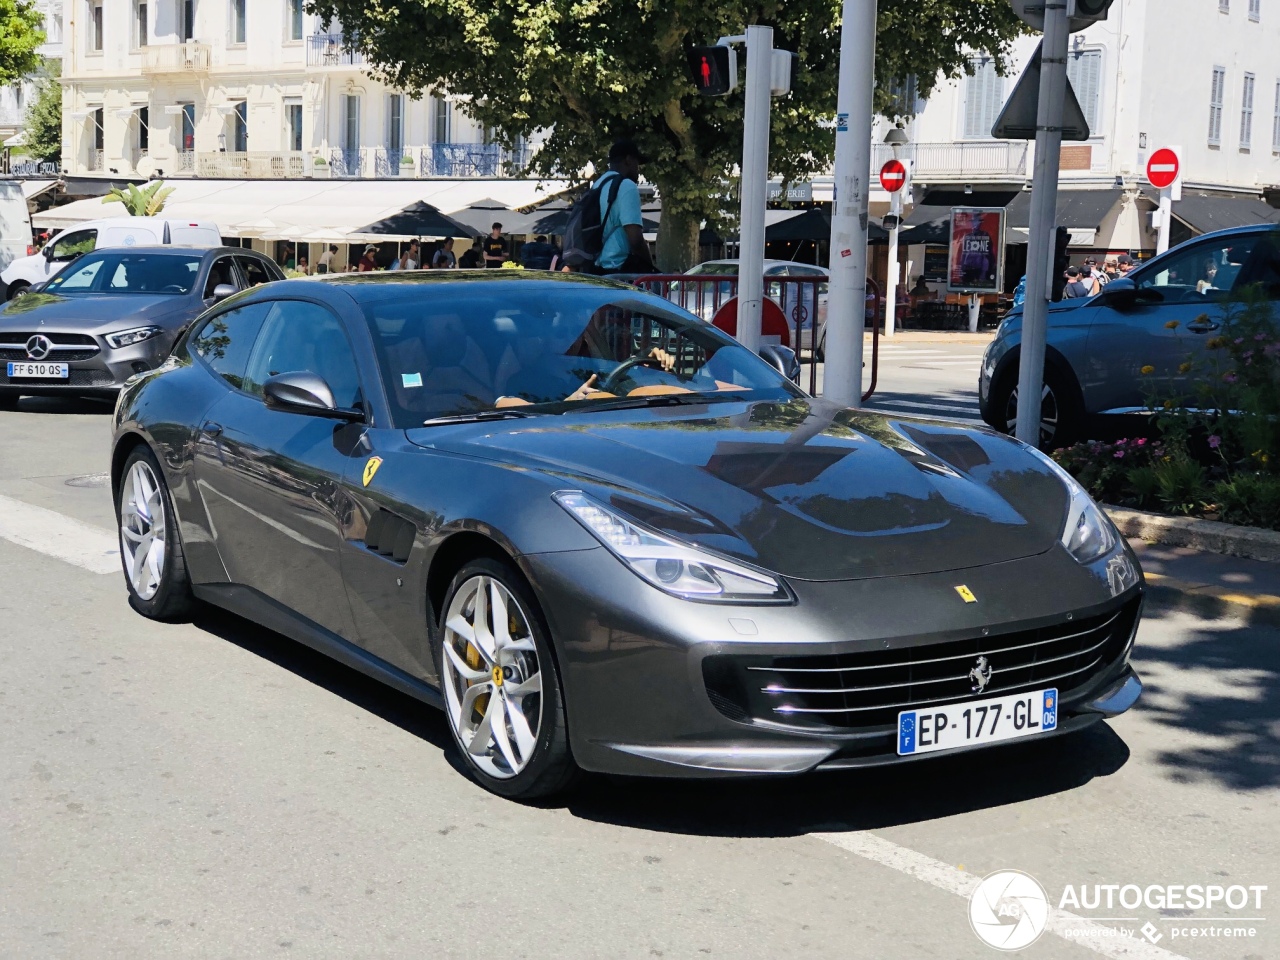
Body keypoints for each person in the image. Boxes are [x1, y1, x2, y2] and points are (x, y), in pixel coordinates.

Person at [594, 139, 656, 275]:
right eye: (637, 164)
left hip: (595, 270)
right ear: (628, 160)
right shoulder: (627, 186)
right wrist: (651, 270)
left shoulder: (598, 184)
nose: (638, 170)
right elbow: (636, 240)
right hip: (619, 271)